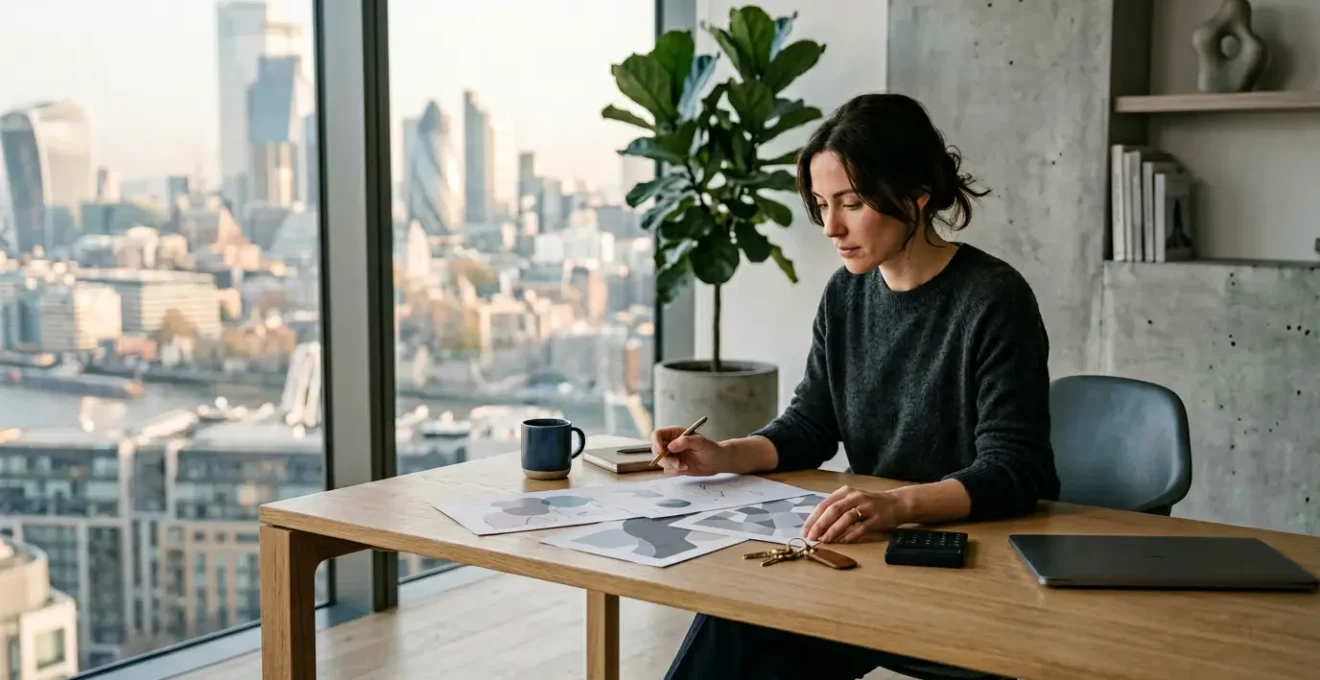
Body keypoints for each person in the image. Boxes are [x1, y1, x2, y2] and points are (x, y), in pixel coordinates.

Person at [653, 92, 1060, 680]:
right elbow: (812, 425)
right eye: (821, 204)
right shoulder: (845, 295)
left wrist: (895, 505)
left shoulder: (993, 299)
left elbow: (1017, 470)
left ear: (916, 194)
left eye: (851, 202)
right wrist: (723, 455)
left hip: (967, 559)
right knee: (735, 617)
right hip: (870, 550)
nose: (830, 227)